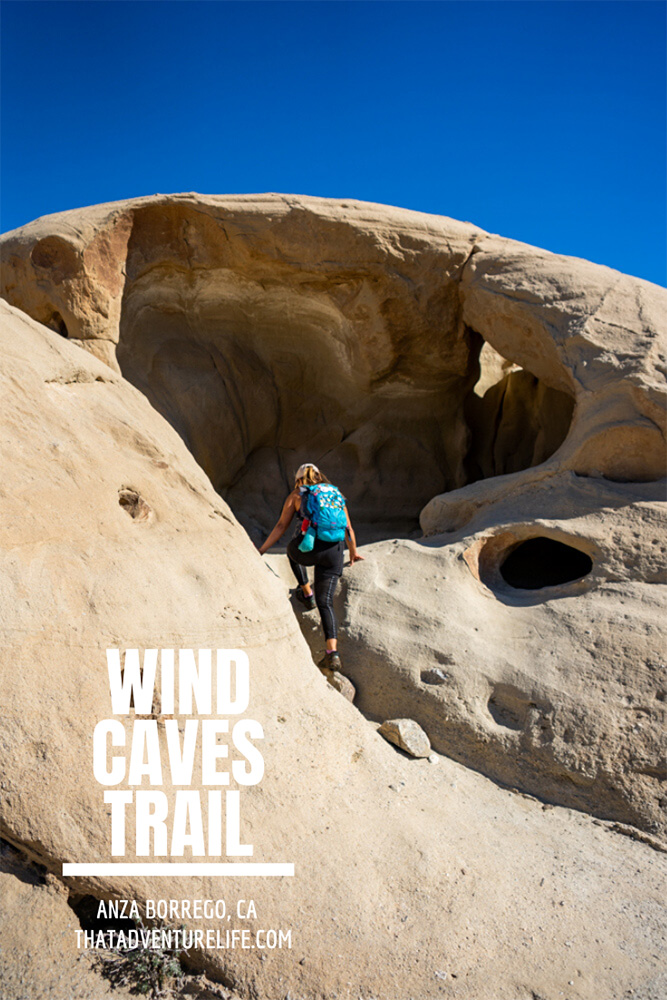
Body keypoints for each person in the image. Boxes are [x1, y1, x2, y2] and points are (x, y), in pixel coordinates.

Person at [258, 463, 364, 671]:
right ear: (318, 476)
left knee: (291, 550)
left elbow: (281, 525)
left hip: (309, 550)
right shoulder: (335, 493)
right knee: (326, 603)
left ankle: (306, 592)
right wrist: (353, 551)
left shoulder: (297, 495)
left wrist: (262, 550)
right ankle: (332, 653)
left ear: (298, 479)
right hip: (334, 552)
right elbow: (348, 527)